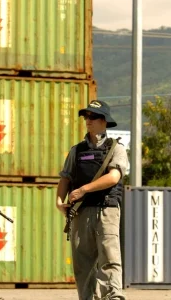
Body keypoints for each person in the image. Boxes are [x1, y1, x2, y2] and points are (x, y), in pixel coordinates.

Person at [56, 100, 128, 300]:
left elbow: (114, 177)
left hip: (107, 210)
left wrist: (83, 189)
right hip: (81, 213)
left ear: (104, 121)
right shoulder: (76, 150)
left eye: (93, 116)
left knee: (109, 257)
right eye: (86, 116)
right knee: (83, 263)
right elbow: (65, 177)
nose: (88, 120)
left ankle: (113, 297)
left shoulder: (116, 149)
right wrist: (59, 202)